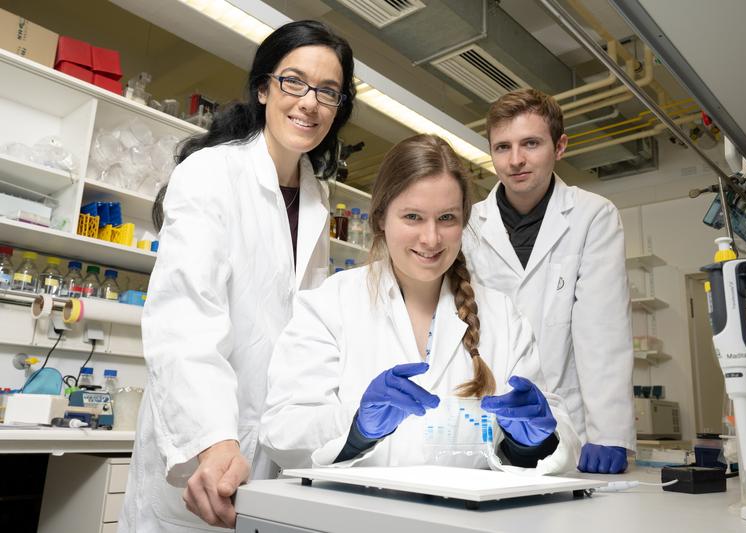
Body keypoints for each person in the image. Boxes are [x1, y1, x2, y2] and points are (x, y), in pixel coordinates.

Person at [119, 20, 356, 532]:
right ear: (264, 88)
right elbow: (184, 316)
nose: (309, 102)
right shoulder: (211, 174)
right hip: (205, 448)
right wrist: (213, 437)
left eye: (328, 92)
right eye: (293, 81)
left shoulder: (317, 198)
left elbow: (305, 328)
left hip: (273, 448)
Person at [261, 134, 580, 473]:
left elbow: (559, 444)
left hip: (470, 522)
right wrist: (357, 427)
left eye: (447, 218)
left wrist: (531, 443)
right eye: (413, 217)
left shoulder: (503, 316)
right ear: (382, 218)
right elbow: (282, 432)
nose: (431, 239)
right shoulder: (330, 305)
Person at [462, 88, 635, 474]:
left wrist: (609, 432)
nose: (516, 160)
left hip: (568, 424)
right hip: (485, 422)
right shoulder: (469, 224)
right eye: (502, 147)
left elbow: (602, 331)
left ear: (559, 147)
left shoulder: (592, 216)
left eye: (531, 143)